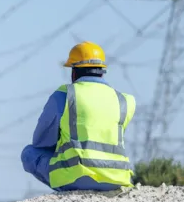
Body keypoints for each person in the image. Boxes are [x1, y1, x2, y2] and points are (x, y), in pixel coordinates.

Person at [20, 41, 137, 192]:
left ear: (74, 72)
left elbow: (40, 142)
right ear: (102, 72)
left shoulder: (64, 95)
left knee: (29, 153)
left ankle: (65, 192)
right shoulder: (125, 101)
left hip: (77, 178)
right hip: (116, 180)